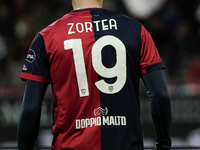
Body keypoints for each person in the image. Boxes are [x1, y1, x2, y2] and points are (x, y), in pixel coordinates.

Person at [17, 0, 172, 149]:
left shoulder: (47, 37)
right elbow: (160, 96)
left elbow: (31, 109)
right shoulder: (137, 31)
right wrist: (163, 145)